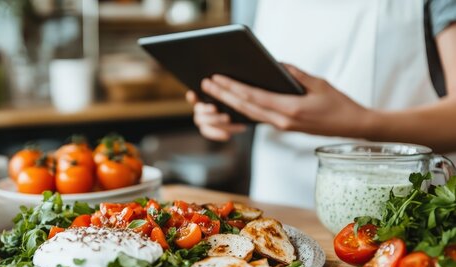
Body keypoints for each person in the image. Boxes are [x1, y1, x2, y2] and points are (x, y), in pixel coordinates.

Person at [187, 0, 456, 209]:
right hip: (278, 204)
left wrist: (361, 121)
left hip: (399, 214)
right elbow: (252, 79)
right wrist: (225, 105)